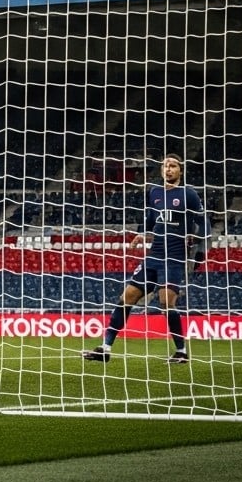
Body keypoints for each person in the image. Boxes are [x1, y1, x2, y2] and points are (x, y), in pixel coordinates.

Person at [83, 153, 208, 365]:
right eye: (165, 166)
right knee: (127, 296)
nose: (168, 169)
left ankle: (181, 351)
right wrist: (142, 233)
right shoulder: (155, 192)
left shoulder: (189, 194)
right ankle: (105, 347)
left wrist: (197, 243)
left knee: (166, 302)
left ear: (181, 170)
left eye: (173, 166)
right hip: (154, 255)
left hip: (174, 258)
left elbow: (203, 222)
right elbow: (150, 219)